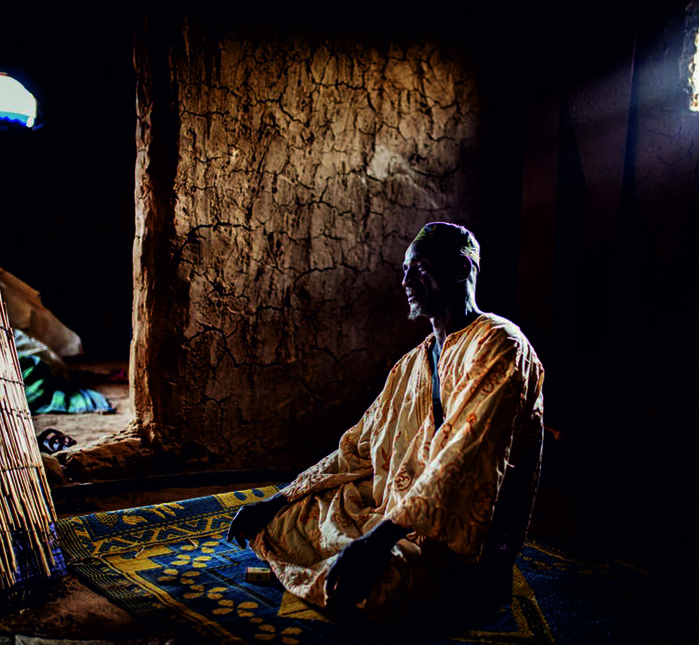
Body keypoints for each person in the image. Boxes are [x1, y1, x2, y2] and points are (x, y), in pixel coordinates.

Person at [227, 222, 544, 624]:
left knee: (381, 586)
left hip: (460, 536)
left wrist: (378, 539)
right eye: (405, 271)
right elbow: (357, 447)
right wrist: (279, 499)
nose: (406, 280)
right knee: (281, 521)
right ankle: (339, 570)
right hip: (395, 510)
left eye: (420, 268)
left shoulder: (500, 344)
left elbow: (463, 458)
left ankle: (400, 576)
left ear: (463, 269)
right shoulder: (412, 363)